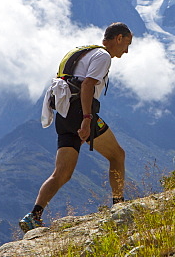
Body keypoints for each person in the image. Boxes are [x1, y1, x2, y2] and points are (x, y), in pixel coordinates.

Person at [19, 22, 133, 231]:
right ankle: (119, 206)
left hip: (62, 114)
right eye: (127, 44)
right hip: (79, 112)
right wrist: (87, 119)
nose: (126, 51)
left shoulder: (81, 52)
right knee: (117, 155)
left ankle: (33, 215)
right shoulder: (103, 56)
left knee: (62, 173)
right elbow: (88, 85)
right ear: (118, 38)